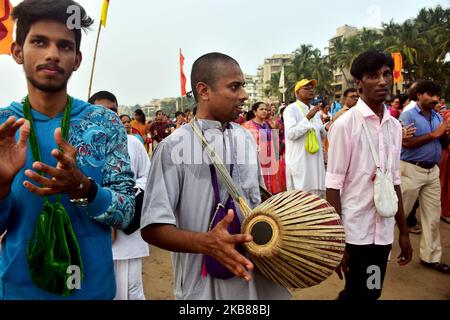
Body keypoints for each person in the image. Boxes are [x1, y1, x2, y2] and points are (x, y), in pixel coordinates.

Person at [0, 0, 135, 299]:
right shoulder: (3, 128)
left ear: (77, 59)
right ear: (18, 51)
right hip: (18, 291)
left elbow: (126, 214)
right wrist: (1, 184)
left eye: (64, 46)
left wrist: (84, 188)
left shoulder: (104, 123)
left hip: (94, 290)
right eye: (39, 41)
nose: (52, 54)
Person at [140, 52, 291, 300]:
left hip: (255, 274)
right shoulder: (173, 147)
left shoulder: (244, 137)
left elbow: (258, 200)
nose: (244, 95)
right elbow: (153, 228)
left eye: (243, 86)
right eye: (234, 87)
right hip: (201, 285)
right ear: (204, 91)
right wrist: (207, 242)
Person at [326, 50, 413, 300]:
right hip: (355, 231)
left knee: (372, 290)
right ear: (359, 83)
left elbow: (394, 180)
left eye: (386, 74)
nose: (383, 81)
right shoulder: (345, 125)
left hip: (382, 230)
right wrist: (338, 240)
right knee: (356, 291)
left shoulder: (394, 127)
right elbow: (333, 185)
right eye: (374, 76)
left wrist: (403, 232)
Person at [90, 92, 150, 300]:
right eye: (101, 111)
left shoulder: (132, 143)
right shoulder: (81, 145)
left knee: (132, 287)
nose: (108, 115)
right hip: (93, 227)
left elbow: (146, 177)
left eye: (113, 111)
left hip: (127, 226)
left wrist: (122, 197)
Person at [399, 80, 450, 274]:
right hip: (411, 170)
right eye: (431, 95)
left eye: (437, 96)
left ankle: (431, 257)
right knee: (397, 215)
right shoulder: (408, 115)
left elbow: (443, 142)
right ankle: (377, 251)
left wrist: (445, 132)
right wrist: (434, 134)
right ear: (419, 95)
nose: (435, 99)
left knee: (432, 217)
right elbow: (407, 143)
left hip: (432, 171)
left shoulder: (437, 116)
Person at [283, 79, 326, 196]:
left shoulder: (314, 110)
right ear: (297, 93)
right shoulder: (291, 109)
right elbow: (291, 134)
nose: (310, 90)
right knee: (301, 197)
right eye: (306, 88)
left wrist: (326, 128)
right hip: (300, 162)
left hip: (315, 162)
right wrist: (308, 117)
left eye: (311, 88)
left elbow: (320, 134)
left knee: (316, 199)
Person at [243, 102, 284, 194]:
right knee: (260, 187)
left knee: (273, 189)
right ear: (254, 112)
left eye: (266, 109)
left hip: (270, 160)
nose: (264, 111)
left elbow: (275, 142)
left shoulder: (268, 124)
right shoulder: (248, 125)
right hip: (257, 161)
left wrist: (274, 130)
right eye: (261, 109)